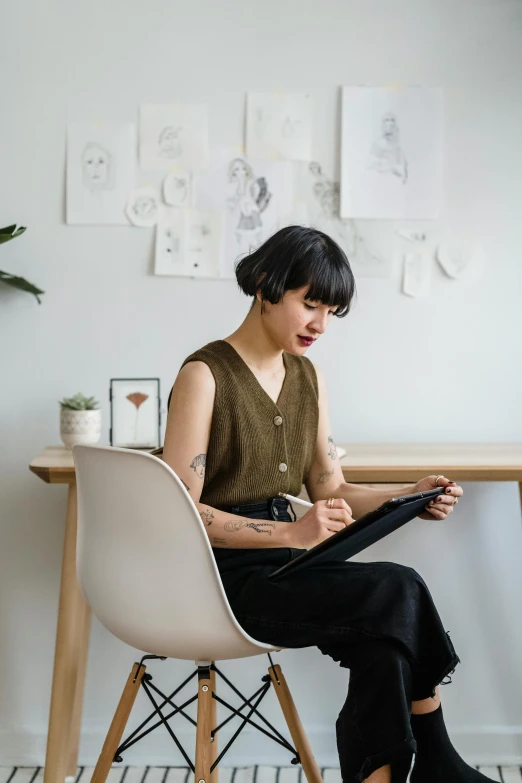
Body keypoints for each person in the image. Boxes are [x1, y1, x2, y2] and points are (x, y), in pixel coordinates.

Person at [162, 225, 494, 783]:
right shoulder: (204, 375)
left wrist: (407, 497)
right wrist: (292, 534)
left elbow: (331, 489)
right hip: (223, 581)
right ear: (267, 287)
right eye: (309, 303)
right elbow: (180, 511)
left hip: (293, 570)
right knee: (398, 587)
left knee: (384, 642)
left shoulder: (307, 376)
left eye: (331, 311)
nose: (320, 324)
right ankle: (437, 760)